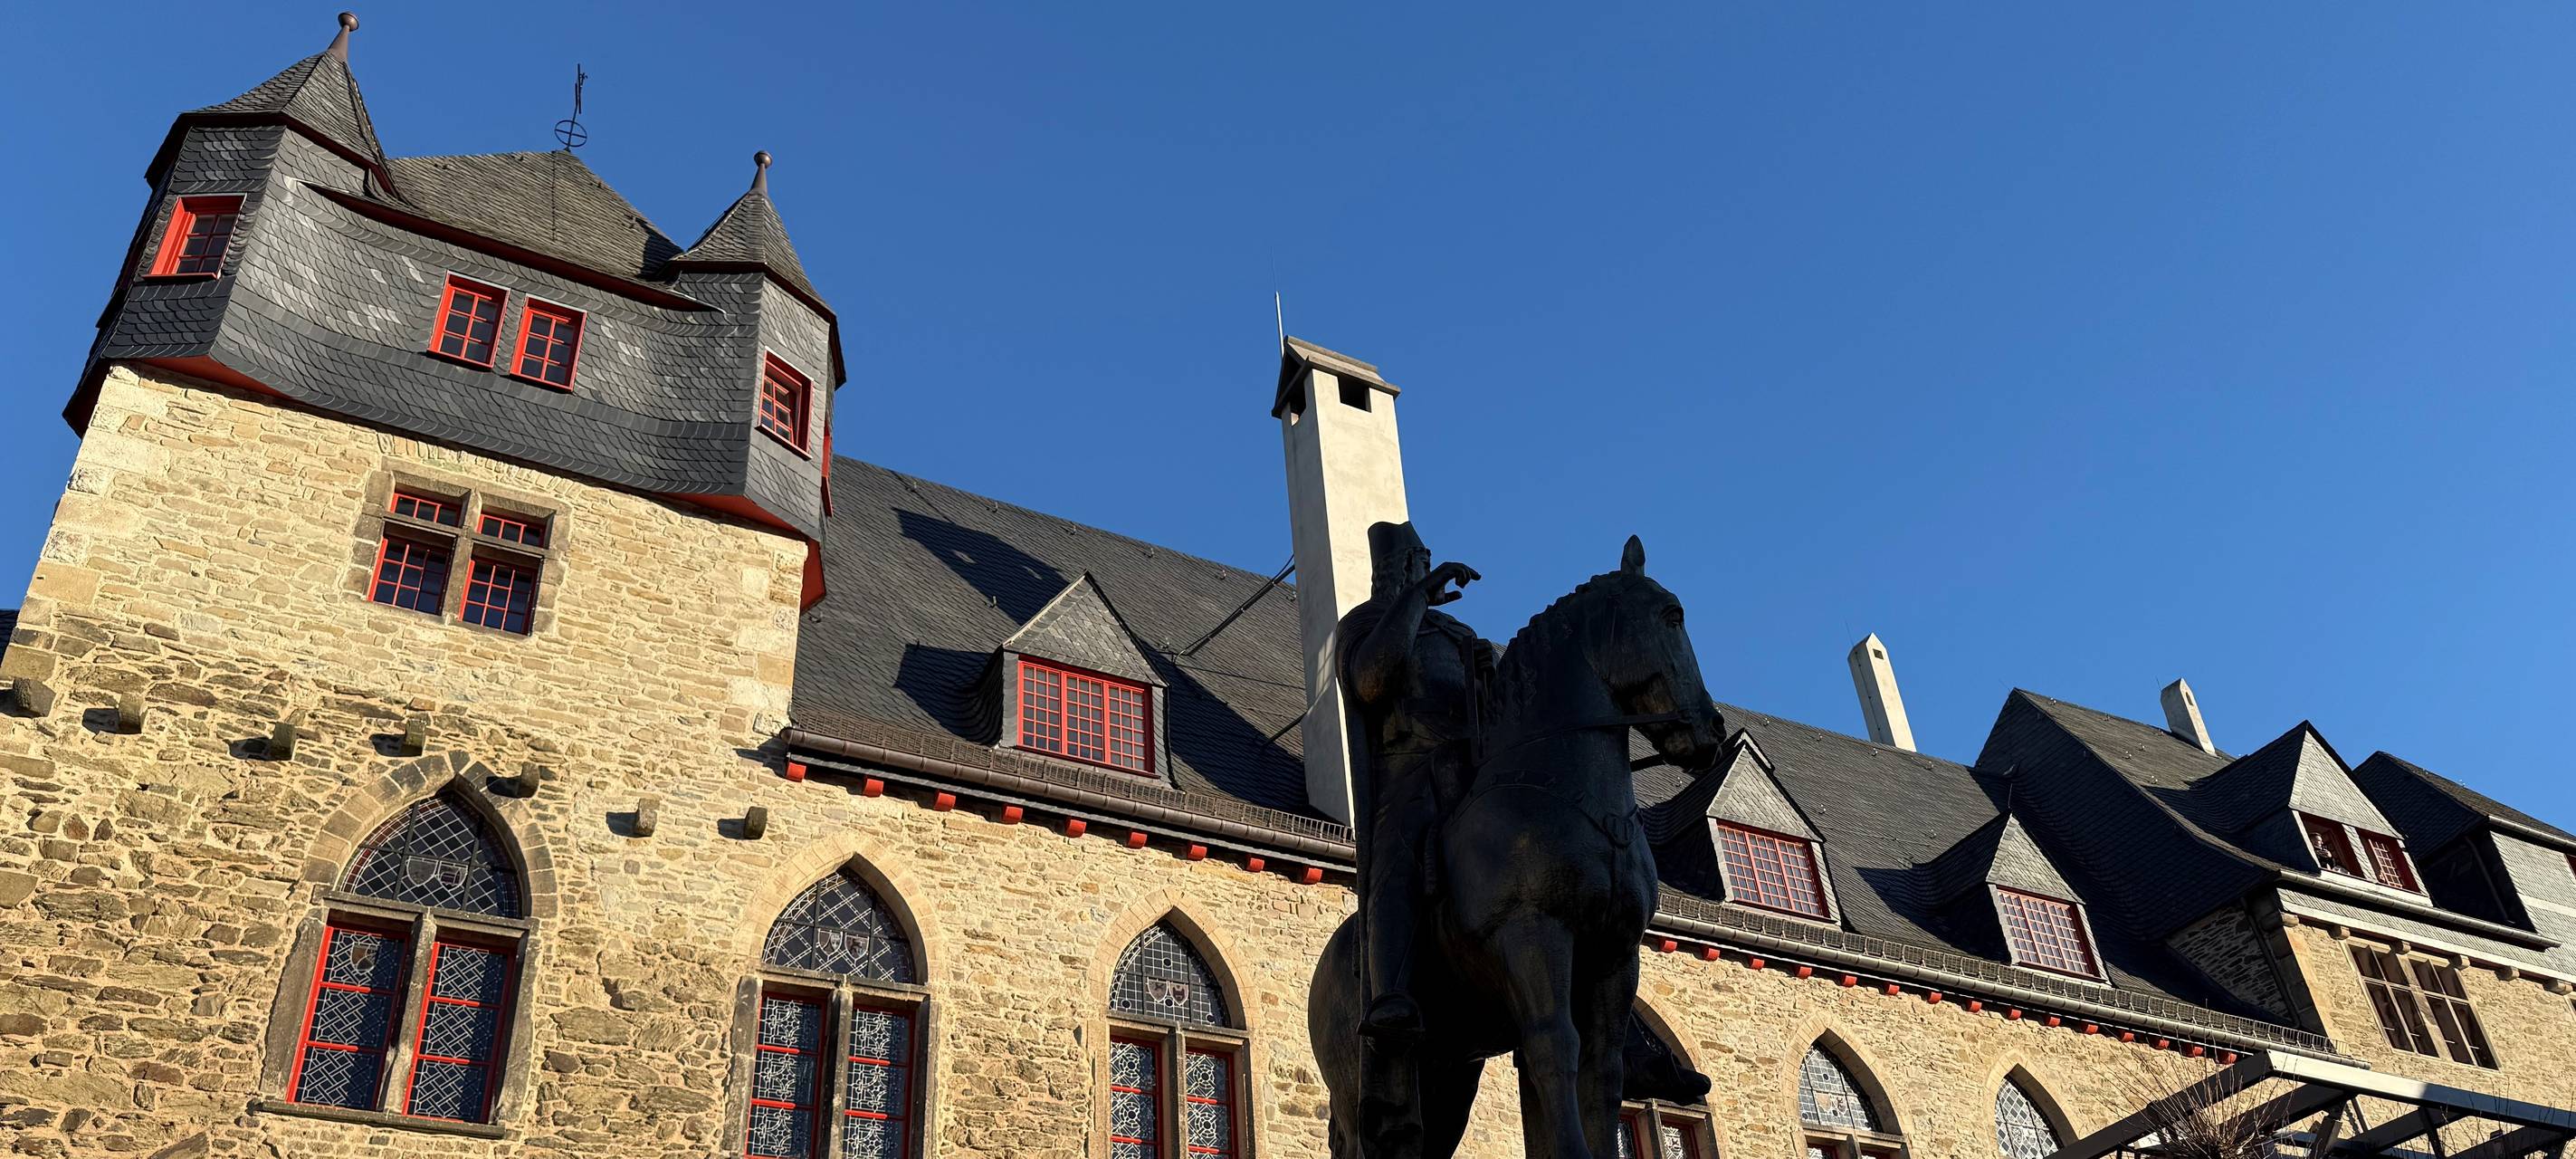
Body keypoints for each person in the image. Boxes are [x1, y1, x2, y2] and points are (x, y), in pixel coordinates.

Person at [1338, 521, 1492, 1042]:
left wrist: (1490, 678)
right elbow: (1370, 681)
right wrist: (1418, 599)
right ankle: (1392, 992)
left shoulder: (1457, 635)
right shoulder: (1367, 623)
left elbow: (1493, 715)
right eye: (1420, 566)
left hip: (1472, 771)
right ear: (1397, 571)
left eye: (1427, 566)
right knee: (1398, 855)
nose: (1428, 573)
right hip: (1411, 771)